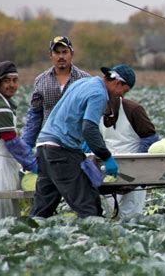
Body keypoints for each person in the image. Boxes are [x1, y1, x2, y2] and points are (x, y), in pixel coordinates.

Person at [30, 64, 135, 218]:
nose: (122, 97)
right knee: (88, 207)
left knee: (43, 207)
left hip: (44, 147)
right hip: (61, 150)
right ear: (118, 83)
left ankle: (30, 238)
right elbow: (89, 128)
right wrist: (106, 157)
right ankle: (93, 239)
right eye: (123, 92)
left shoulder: (84, 82)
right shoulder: (99, 94)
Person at [0, 61, 38, 222]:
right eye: (7, 81)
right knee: (5, 219)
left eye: (14, 80)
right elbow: (11, 141)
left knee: (7, 217)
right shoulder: (0, 106)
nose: (11, 85)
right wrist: (32, 164)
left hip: (1, 164)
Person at [97, 93, 159, 218]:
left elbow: (151, 137)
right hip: (110, 169)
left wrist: (136, 164)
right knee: (111, 215)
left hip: (133, 171)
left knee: (131, 217)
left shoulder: (133, 109)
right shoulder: (95, 112)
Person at [22, 36, 90, 148]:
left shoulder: (85, 80)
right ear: (50, 55)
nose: (61, 56)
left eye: (65, 52)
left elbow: (91, 114)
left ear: (71, 54)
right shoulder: (41, 81)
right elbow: (35, 116)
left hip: (76, 146)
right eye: (57, 53)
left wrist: (89, 142)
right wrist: (26, 147)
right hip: (48, 144)